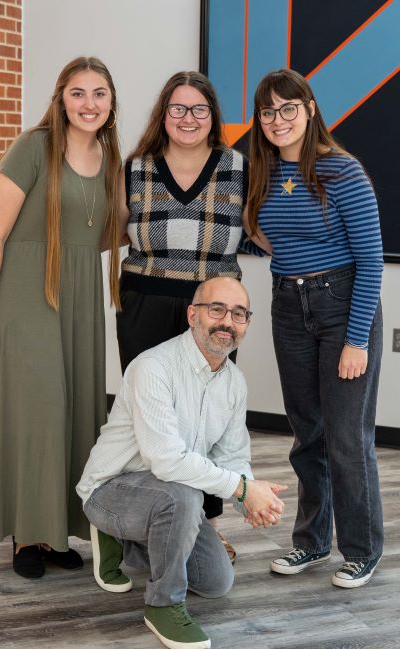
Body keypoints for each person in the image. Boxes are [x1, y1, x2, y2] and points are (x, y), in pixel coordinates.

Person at [0, 57, 124, 579]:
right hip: (26, 296)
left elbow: (108, 233)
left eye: (99, 94)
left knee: (74, 412)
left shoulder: (111, 157)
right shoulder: (32, 147)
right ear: (60, 99)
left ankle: (56, 530)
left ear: (110, 102)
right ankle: (26, 535)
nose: (89, 104)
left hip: (78, 298)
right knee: (37, 414)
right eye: (78, 93)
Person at [77, 277, 287, 649]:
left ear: (246, 325)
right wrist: (241, 489)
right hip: (111, 490)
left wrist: (251, 500)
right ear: (193, 315)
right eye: (216, 309)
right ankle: (163, 604)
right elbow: (166, 460)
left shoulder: (234, 383)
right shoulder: (153, 367)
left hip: (169, 497)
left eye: (239, 314)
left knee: (216, 581)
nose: (227, 321)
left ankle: (125, 545)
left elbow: (233, 456)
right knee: (182, 495)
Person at [244, 69, 385, 589]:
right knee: (308, 435)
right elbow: (262, 232)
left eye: (287, 109)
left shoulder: (342, 171)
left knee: (347, 439)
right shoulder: (260, 172)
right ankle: (310, 542)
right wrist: (290, 267)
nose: (277, 120)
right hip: (289, 305)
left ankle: (362, 549)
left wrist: (356, 339)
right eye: (267, 112)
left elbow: (371, 261)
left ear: (309, 108)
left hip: (343, 304)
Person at [114, 71, 261, 561]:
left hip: (210, 304)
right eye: (178, 108)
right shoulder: (135, 167)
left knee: (206, 415)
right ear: (163, 114)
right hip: (144, 300)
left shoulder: (238, 167)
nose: (188, 118)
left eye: (199, 109)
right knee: (152, 416)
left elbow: (263, 231)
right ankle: (145, 520)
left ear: (212, 117)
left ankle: (205, 525)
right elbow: (108, 229)